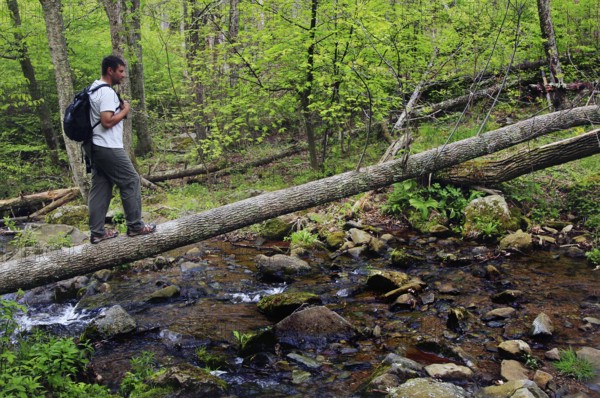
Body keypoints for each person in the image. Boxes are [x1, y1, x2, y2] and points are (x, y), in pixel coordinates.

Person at [85, 55, 156, 244]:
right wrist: (125, 111)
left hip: (94, 146)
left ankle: (97, 233)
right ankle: (135, 226)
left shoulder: (93, 88)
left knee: (101, 187)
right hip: (107, 146)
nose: (123, 75)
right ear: (110, 71)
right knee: (131, 180)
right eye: (121, 71)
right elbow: (107, 121)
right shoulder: (107, 92)